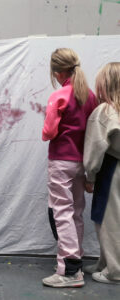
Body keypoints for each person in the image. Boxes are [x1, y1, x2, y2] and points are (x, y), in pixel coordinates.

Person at [41, 48, 98, 287]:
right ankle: (74, 263)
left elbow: (48, 133)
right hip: (80, 162)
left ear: (57, 71)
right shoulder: (91, 96)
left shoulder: (59, 96)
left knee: (61, 212)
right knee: (75, 213)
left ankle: (70, 270)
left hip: (61, 161)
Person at [83, 62, 120, 284]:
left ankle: (114, 271)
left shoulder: (105, 111)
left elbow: (94, 149)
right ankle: (105, 262)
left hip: (112, 170)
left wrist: (90, 177)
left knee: (108, 220)